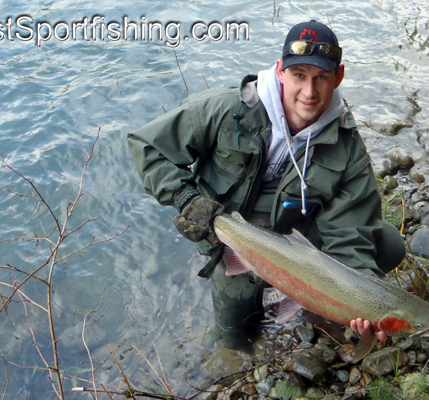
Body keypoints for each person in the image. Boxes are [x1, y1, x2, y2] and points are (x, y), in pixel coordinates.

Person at [127, 20, 406, 348]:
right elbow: (147, 146)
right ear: (280, 72)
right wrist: (187, 199)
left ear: (338, 77)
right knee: (237, 337)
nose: (309, 92)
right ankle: (242, 330)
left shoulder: (347, 146)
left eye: (321, 78)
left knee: (386, 244)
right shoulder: (226, 110)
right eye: (299, 75)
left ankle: (313, 308)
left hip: (297, 234)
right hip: (232, 233)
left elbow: (351, 233)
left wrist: (357, 305)